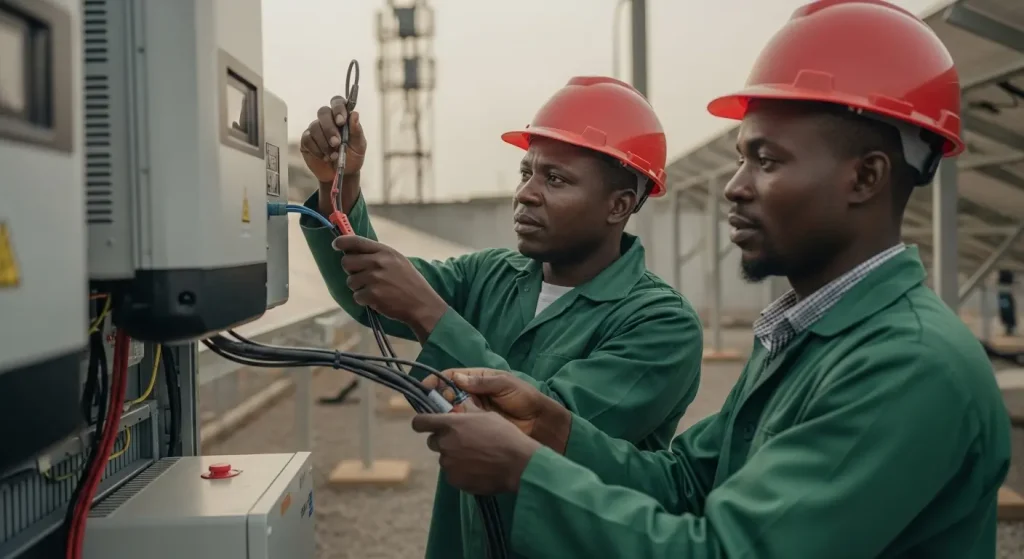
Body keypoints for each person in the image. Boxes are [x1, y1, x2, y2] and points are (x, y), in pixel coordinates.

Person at [411, 1, 1013, 557]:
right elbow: (684, 482)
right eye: (741, 157)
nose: (735, 186)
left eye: (768, 160)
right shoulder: (808, 338)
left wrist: (526, 471)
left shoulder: (908, 366)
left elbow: (729, 550)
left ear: (865, 178)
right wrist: (550, 427)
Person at [298, 76, 704, 558]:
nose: (526, 194)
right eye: (526, 173)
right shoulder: (491, 274)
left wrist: (430, 312)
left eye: (555, 179)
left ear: (618, 206)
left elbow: (545, 423)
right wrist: (338, 185)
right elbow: (372, 293)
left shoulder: (660, 323)